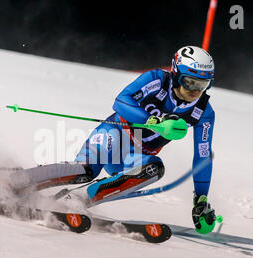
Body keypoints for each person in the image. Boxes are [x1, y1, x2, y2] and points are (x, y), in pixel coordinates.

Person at [73, 45, 217, 231]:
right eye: (190, 82)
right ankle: (31, 180)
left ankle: (79, 199)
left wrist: (201, 200)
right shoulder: (156, 80)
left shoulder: (203, 112)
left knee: (153, 169)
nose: (195, 91)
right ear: (176, 74)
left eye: (202, 85)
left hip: (133, 158)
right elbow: (121, 101)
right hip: (114, 136)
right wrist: (152, 121)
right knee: (85, 171)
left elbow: (202, 155)